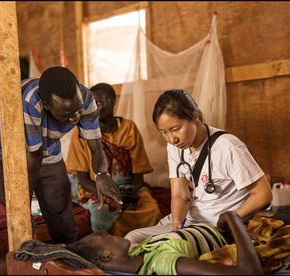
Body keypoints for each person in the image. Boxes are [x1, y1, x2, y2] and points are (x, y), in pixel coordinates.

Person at [0, 67, 122, 244]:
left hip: (48, 151)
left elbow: (96, 147)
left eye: (77, 109)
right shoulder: (29, 103)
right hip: (10, 155)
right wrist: (24, 208)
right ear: (48, 106)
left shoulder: (86, 99)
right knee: (19, 216)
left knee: (60, 211)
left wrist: (102, 174)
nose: (75, 117)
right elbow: (33, 156)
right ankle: (25, 259)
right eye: (67, 113)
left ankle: (69, 254)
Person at [125, 89, 272, 243]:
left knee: (164, 247)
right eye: (164, 132)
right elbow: (179, 194)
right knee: (131, 240)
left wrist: (231, 219)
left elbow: (263, 194)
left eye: (176, 129)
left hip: (214, 226)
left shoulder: (227, 147)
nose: (171, 139)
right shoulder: (175, 147)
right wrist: (176, 225)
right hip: (189, 222)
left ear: (195, 116)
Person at [66, 83, 161, 235]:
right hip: (94, 188)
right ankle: (109, 252)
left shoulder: (128, 128)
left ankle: (142, 248)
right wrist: (108, 195)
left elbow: (138, 173)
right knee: (101, 214)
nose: (94, 109)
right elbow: (83, 180)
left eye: (99, 103)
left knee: (152, 211)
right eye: (90, 105)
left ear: (112, 102)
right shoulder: (81, 134)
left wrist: (132, 192)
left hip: (127, 188)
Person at [67, 210, 262, 275]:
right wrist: (232, 218)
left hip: (216, 226)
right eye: (106, 237)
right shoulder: (161, 262)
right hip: (235, 232)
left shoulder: (138, 249)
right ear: (106, 256)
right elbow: (247, 273)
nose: (112, 234)